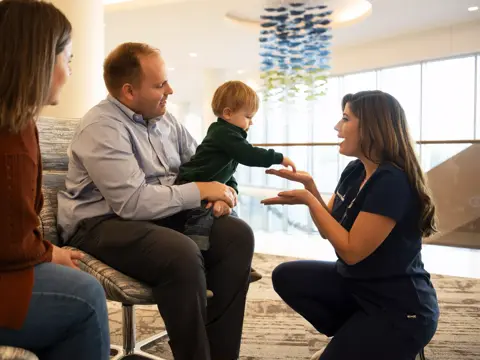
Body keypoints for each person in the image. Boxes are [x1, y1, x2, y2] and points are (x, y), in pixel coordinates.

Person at [57, 42, 254, 360]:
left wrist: (221, 195)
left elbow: (201, 168)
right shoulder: (102, 127)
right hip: (100, 223)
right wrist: (201, 191)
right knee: (180, 252)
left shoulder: (167, 121)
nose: (170, 90)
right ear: (129, 92)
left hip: (158, 216)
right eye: (160, 84)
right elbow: (132, 203)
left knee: (237, 235)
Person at [262, 90, 439, 360]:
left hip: (399, 308)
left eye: (345, 118)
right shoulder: (355, 170)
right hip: (359, 288)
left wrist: (309, 200)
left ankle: (384, 340)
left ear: (371, 127)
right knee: (286, 276)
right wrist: (310, 186)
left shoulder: (391, 182)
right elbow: (329, 228)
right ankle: (355, 333)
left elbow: (351, 251)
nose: (337, 127)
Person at [0, 1, 110, 359]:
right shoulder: (12, 136)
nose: (71, 71)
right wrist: (50, 254)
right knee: (87, 297)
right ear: (40, 60)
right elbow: (11, 245)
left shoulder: (20, 124)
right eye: (69, 59)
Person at [177, 80, 296, 282]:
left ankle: (238, 264)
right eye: (248, 117)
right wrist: (278, 157)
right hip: (193, 186)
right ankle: (195, 267)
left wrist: (232, 192)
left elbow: (227, 173)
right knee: (200, 226)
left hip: (211, 187)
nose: (251, 122)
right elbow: (248, 155)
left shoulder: (229, 136)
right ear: (228, 113)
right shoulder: (224, 133)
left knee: (233, 220)